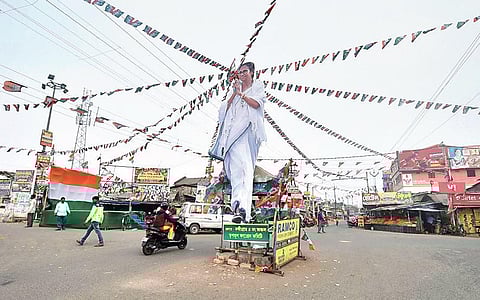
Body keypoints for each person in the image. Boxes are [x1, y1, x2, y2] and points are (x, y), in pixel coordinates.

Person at [209, 62, 267, 223]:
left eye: (245, 72)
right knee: (236, 171)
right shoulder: (234, 91)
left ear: (252, 73)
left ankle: (243, 206)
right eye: (239, 72)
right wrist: (235, 93)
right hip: (232, 135)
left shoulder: (258, 87)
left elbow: (257, 105)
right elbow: (223, 110)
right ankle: (239, 207)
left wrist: (242, 94)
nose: (242, 75)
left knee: (244, 168)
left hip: (247, 133)